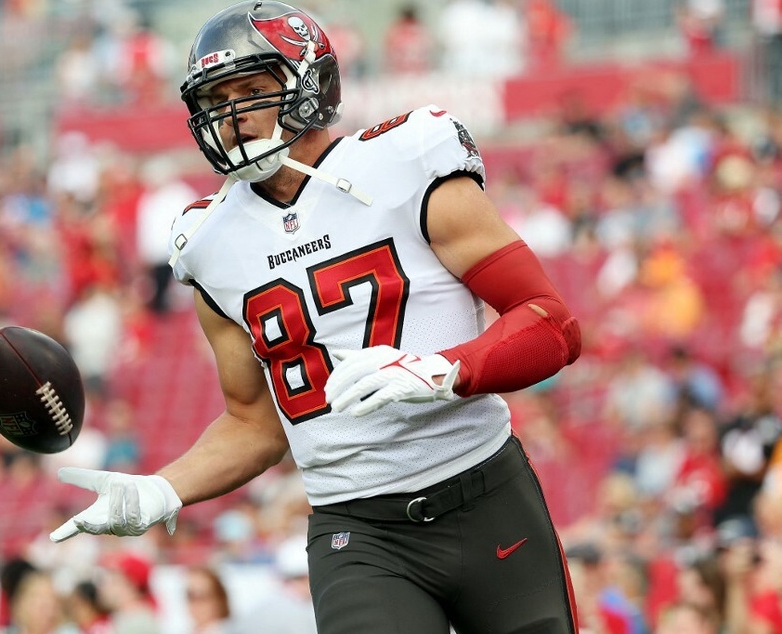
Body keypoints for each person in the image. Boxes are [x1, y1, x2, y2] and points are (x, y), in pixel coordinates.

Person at [50, 2, 582, 632]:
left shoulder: (407, 162)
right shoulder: (209, 241)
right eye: (217, 96)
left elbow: (550, 323)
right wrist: (164, 488)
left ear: (309, 82)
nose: (234, 112)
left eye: (251, 89)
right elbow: (256, 424)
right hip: (357, 531)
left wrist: (442, 370)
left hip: (485, 492)